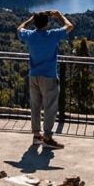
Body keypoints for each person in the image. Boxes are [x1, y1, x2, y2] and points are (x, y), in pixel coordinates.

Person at [17, 10, 73, 149]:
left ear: (35, 23)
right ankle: (47, 137)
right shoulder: (52, 35)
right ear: (47, 23)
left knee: (35, 106)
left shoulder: (29, 36)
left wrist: (31, 20)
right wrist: (59, 15)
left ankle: (37, 136)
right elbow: (69, 26)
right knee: (50, 107)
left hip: (33, 75)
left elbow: (19, 29)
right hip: (49, 77)